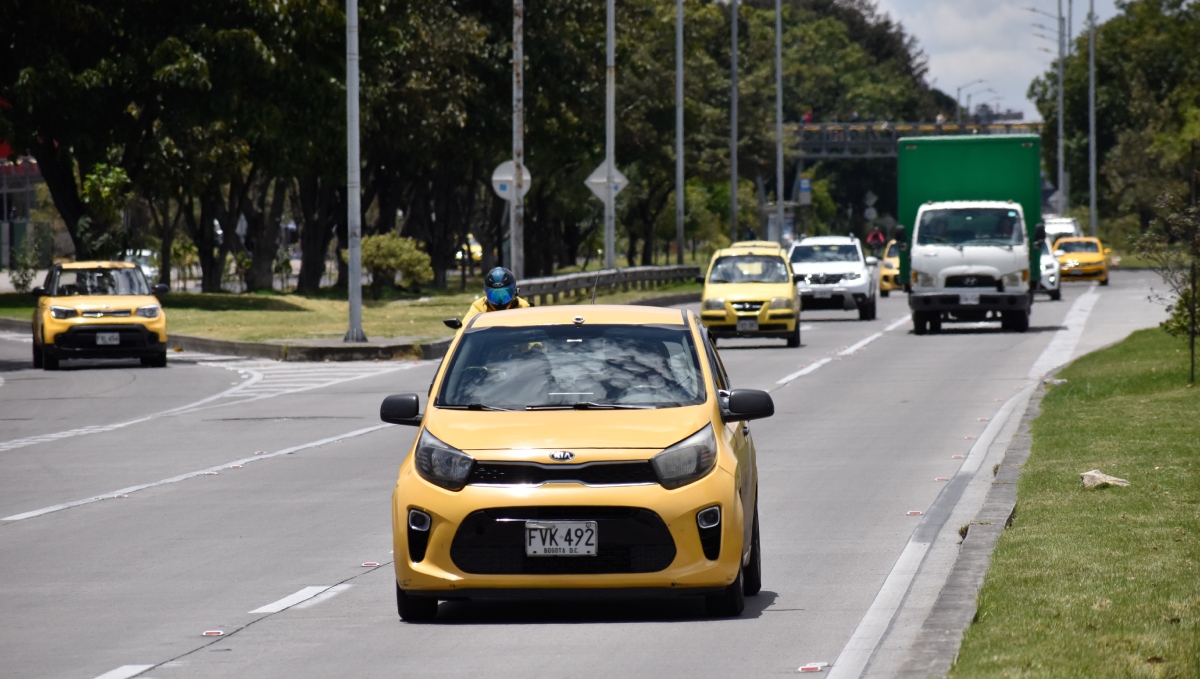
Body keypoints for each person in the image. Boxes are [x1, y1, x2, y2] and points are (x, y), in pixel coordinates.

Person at [462, 266, 530, 324]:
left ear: (515, 291)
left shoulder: (522, 306)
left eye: (504, 294)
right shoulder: (478, 307)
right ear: (486, 293)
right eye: (494, 295)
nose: (500, 300)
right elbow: (464, 329)